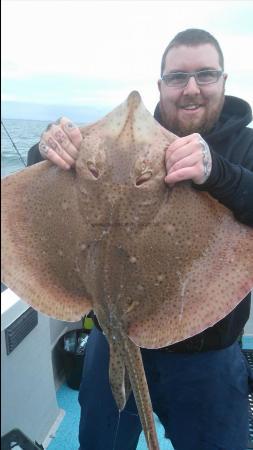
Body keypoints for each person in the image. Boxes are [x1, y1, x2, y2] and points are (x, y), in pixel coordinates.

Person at [28, 29, 253, 450]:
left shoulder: (246, 146)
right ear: (161, 85)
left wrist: (216, 172)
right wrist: (47, 149)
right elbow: (40, 187)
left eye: (206, 74)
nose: (191, 88)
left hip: (207, 354)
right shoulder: (120, 143)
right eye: (177, 77)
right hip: (109, 335)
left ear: (225, 80)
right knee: (101, 441)